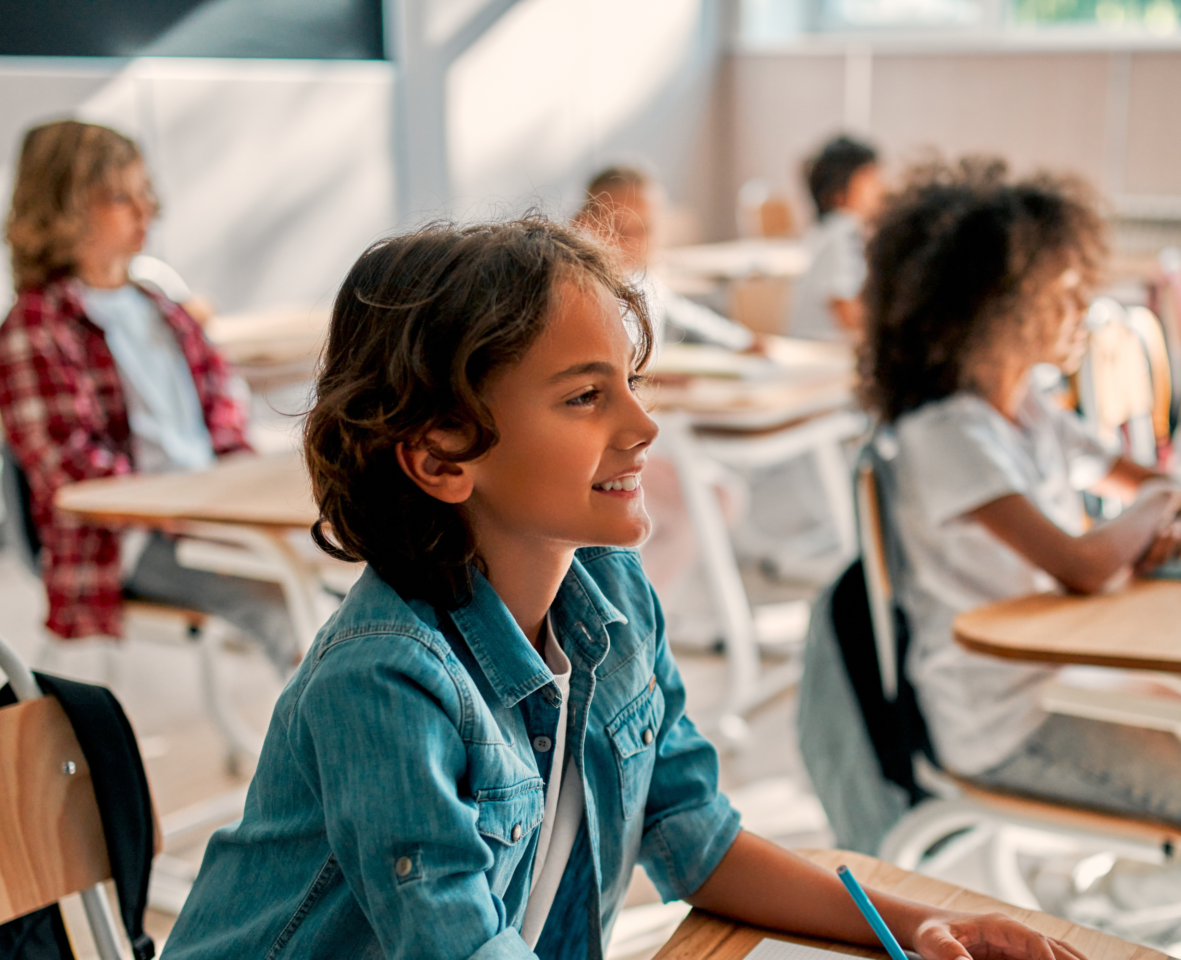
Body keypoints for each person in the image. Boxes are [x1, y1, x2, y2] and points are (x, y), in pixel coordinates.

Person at [163, 216, 1085, 960]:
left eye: (632, 383)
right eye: (584, 396)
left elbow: (695, 837)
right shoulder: (384, 680)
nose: (644, 425)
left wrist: (920, 927)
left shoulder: (612, 594)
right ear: (441, 456)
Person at [862, 158, 1181, 818]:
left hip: (1067, 677)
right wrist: (1153, 510)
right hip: (1004, 725)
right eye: (1061, 293)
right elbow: (1083, 564)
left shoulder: (1031, 409)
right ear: (991, 310)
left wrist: (1157, 511)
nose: (1081, 311)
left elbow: (1149, 483)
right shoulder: (944, 437)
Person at [0, 119, 296, 669]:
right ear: (63, 211)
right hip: (128, 541)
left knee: (343, 576)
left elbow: (222, 410)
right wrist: (179, 508)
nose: (146, 210)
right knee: (284, 608)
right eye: (119, 197)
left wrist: (238, 493)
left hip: (208, 512)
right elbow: (71, 468)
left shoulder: (162, 309)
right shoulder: (34, 328)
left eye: (144, 193)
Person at [575, 165, 758, 352]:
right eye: (618, 228)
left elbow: (688, 317)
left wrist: (743, 341)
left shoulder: (642, 282)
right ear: (584, 223)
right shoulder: (577, 292)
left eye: (645, 229)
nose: (634, 243)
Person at [788, 135, 885, 342]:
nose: (881, 187)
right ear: (838, 190)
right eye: (869, 177)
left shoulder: (828, 229)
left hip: (816, 346)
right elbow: (847, 313)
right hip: (823, 348)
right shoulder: (843, 230)